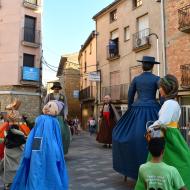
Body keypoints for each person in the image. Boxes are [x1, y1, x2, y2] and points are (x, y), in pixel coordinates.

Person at [135, 74, 190, 190]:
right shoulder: (173, 103)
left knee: (165, 160)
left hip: (167, 135)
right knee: (179, 160)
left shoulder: (169, 103)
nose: (159, 89)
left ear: (166, 88)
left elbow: (162, 122)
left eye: (161, 87)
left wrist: (149, 129)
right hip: (172, 134)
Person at [112, 56, 161, 180]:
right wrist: (161, 107)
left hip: (136, 110)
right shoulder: (157, 79)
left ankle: (131, 169)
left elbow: (130, 96)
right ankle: (157, 168)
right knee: (156, 138)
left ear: (142, 65)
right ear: (153, 66)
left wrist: (130, 109)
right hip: (153, 109)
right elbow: (162, 96)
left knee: (131, 137)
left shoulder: (136, 79)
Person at [11, 100, 68, 190]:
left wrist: (57, 151)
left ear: (56, 111)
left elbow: (57, 138)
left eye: (50, 106)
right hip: (38, 146)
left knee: (49, 167)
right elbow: (34, 135)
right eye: (47, 105)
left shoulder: (55, 122)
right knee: (36, 166)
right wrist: (30, 150)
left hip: (50, 149)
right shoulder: (40, 119)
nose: (47, 108)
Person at [0, 100, 30, 190]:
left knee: (11, 165)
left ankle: (10, 184)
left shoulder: (20, 124)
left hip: (15, 147)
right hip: (12, 147)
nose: (12, 113)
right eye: (10, 110)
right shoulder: (6, 124)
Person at [44, 82, 70, 155]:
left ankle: (61, 151)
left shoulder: (63, 97)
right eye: (55, 87)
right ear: (53, 88)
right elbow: (45, 105)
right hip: (51, 117)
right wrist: (46, 114)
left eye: (58, 88)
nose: (56, 89)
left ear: (59, 88)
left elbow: (66, 107)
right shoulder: (49, 96)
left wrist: (65, 115)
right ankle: (51, 151)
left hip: (60, 118)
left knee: (62, 134)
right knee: (51, 133)